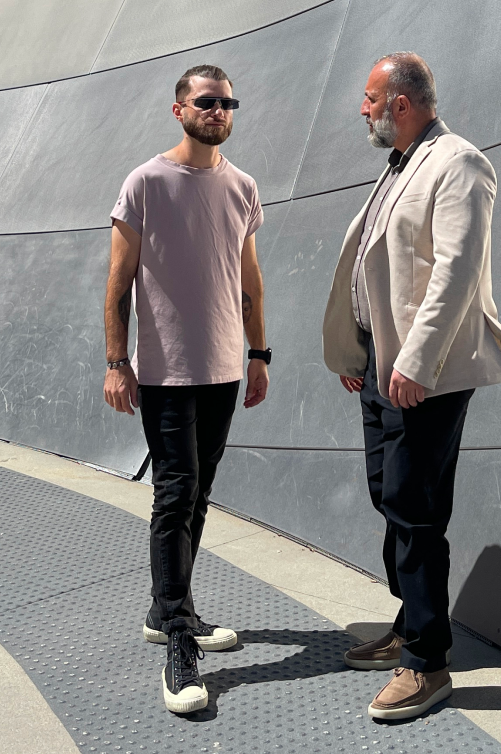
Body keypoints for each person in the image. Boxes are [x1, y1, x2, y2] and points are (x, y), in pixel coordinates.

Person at [323, 52, 501, 720]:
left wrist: (415, 362)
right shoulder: (400, 164)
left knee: (414, 508)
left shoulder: (459, 163)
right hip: (380, 366)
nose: (363, 109)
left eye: (369, 98)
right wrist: (359, 349)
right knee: (389, 494)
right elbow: (377, 264)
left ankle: (427, 663)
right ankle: (412, 620)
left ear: (401, 103)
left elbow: (456, 271)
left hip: (423, 374)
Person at [103, 64, 271, 714]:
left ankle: (167, 610)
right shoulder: (145, 182)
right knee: (175, 494)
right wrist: (116, 362)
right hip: (166, 372)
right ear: (180, 110)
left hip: (225, 369)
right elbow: (119, 282)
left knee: (198, 493)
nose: (219, 111)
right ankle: (178, 640)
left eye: (228, 102)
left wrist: (259, 354)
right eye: (207, 102)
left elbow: (249, 279)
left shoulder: (243, 186)